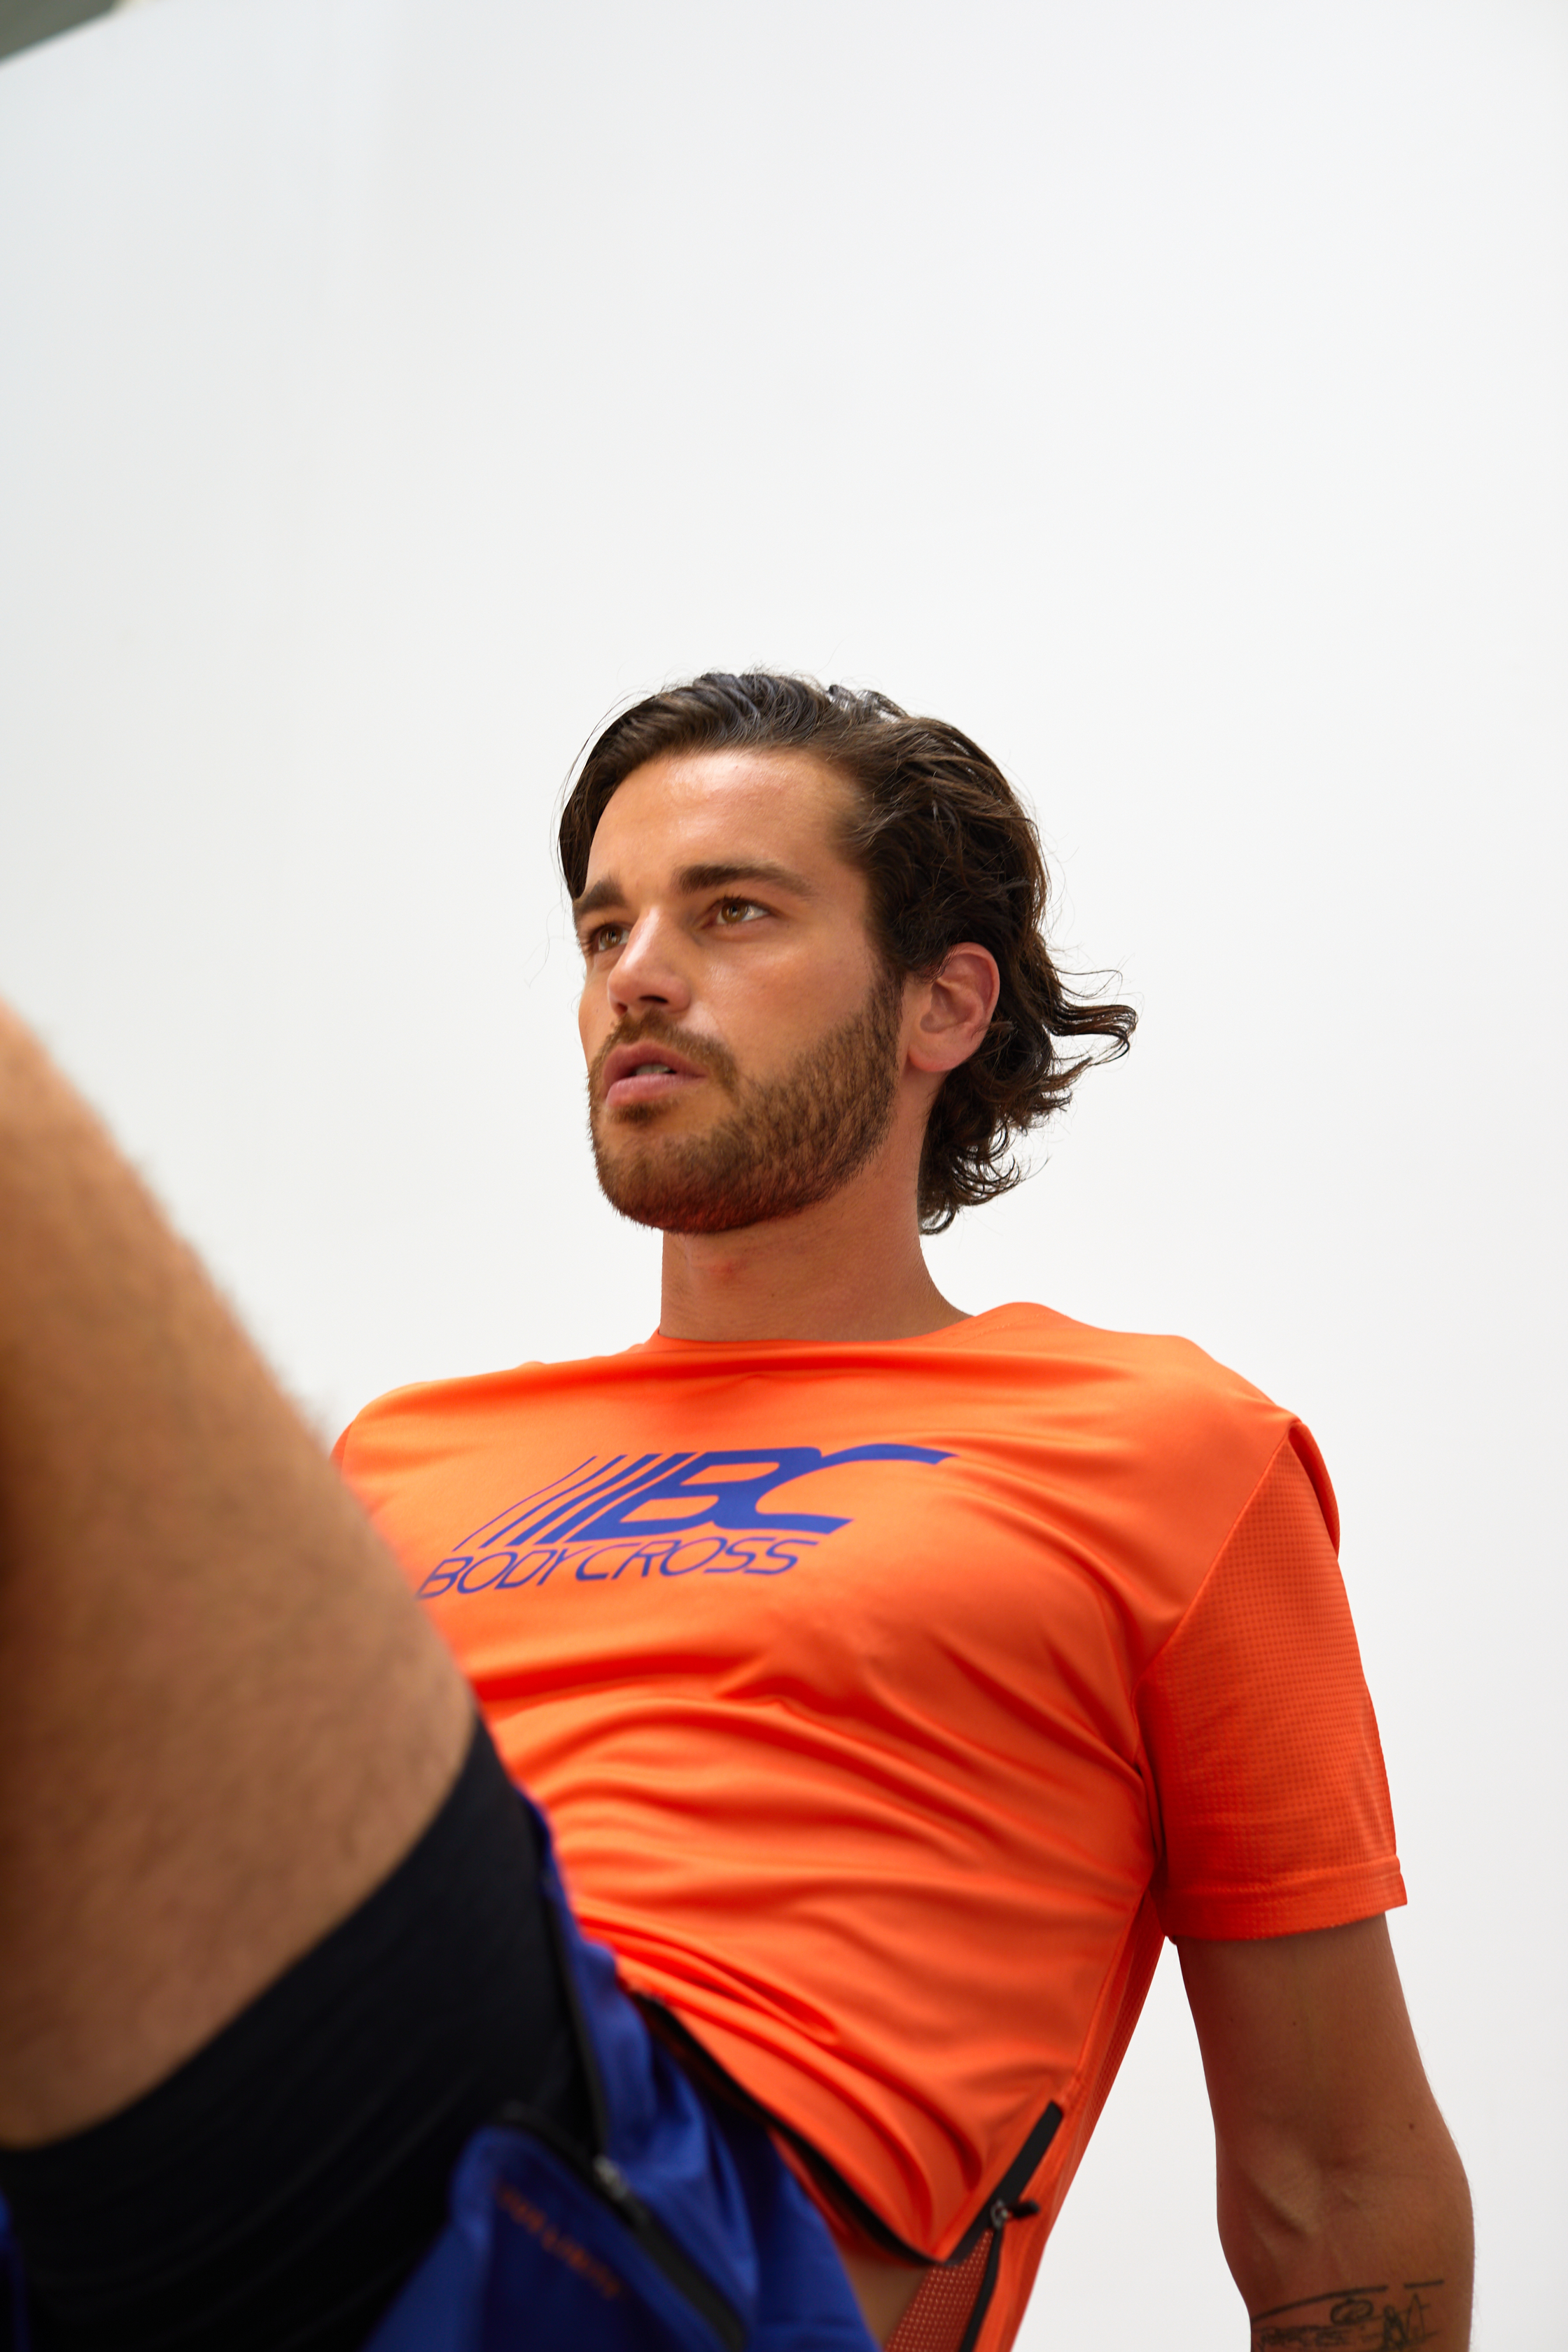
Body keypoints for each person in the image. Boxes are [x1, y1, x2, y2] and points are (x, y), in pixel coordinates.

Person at [0, 673, 1471, 2352]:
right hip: (214, 2168)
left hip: (666, 2234)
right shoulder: (410, 1454)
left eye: (733, 912)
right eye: (603, 928)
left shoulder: (1164, 1449)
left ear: (941, 1006)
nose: (635, 972)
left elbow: (1332, 2177)